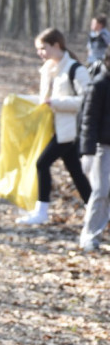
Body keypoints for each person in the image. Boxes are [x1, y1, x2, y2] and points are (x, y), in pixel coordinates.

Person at [16, 28, 92, 225]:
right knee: (76, 171)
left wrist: (56, 103)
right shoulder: (51, 69)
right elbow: (45, 101)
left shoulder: (76, 69)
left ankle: (42, 212)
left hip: (70, 130)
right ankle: (97, 211)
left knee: (42, 163)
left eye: (43, 48)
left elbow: (88, 100)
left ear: (56, 45)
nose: (40, 52)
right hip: (58, 128)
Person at [77, 44, 110, 252]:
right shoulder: (99, 84)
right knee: (100, 191)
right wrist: (87, 152)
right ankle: (89, 235)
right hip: (101, 147)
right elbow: (87, 120)